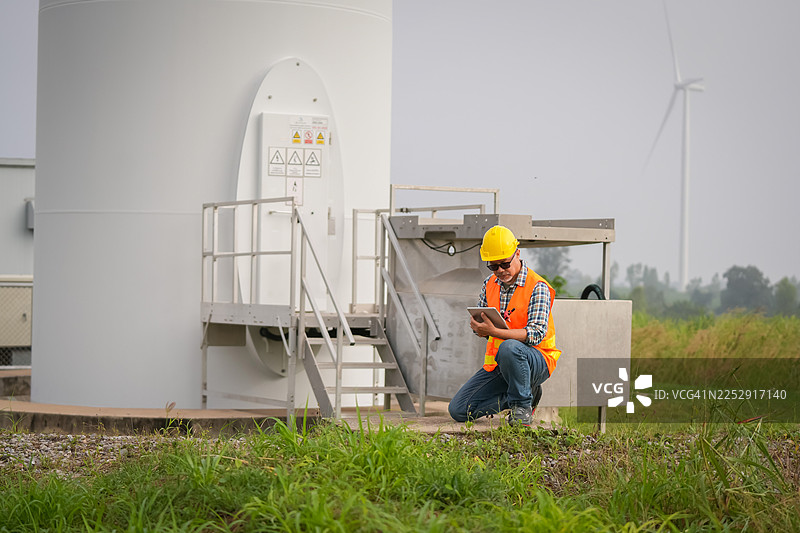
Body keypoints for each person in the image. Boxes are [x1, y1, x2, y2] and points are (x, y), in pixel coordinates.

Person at [448, 225, 561, 426]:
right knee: (458, 410)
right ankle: (526, 394)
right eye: (493, 266)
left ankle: (522, 408)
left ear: (517, 254)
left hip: (537, 361)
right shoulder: (489, 284)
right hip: (502, 363)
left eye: (505, 264)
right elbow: (484, 323)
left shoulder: (538, 287)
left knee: (510, 347)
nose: (500, 270)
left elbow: (535, 335)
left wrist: (494, 331)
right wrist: (479, 329)